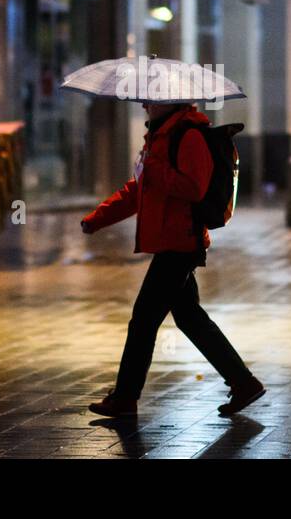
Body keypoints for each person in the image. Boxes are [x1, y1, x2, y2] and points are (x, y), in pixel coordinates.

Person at [81, 101, 265, 417]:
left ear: (168, 101)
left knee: (143, 320)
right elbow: (138, 190)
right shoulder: (158, 138)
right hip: (169, 241)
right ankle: (243, 382)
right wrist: (97, 218)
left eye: (149, 99)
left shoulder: (189, 136)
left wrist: (156, 168)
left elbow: (194, 188)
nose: (142, 103)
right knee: (189, 317)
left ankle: (125, 398)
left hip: (182, 242)